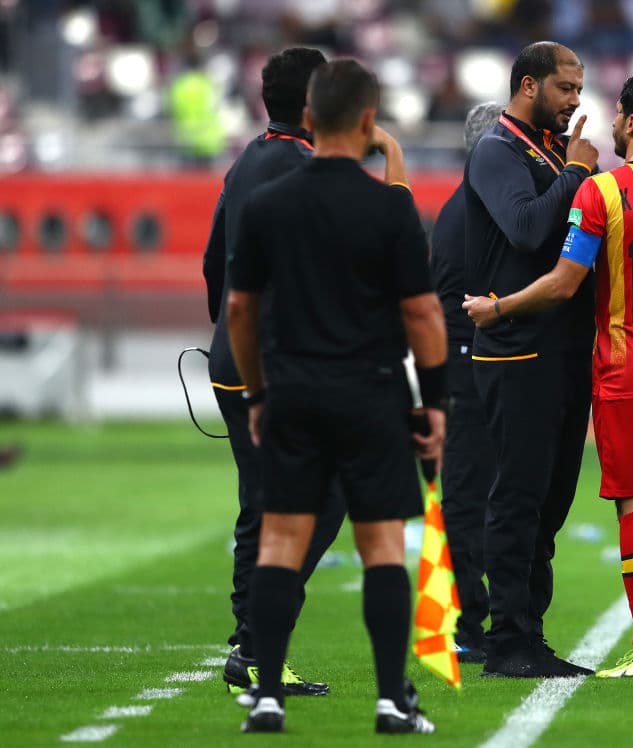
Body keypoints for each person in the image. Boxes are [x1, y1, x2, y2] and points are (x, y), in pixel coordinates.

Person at [464, 71, 633, 679]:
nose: (610, 121)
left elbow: (564, 285)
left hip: (627, 371)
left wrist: (499, 307)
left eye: (617, 112)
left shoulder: (601, 193)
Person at [227, 58, 446, 735]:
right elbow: (424, 316)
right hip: (371, 392)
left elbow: (239, 308)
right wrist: (434, 401)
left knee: (279, 543)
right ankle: (389, 700)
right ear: (370, 122)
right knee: (382, 545)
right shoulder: (390, 206)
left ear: (310, 119)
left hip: (291, 391)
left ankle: (265, 695)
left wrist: (259, 395)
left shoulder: (268, 203)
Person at [202, 47, 347, 699]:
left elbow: (214, 263)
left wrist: (229, 336)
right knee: (319, 498)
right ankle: (257, 642)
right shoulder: (307, 171)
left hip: (233, 358)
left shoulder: (246, 162)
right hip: (281, 364)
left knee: (263, 501)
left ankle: (252, 643)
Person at [428, 100, 504, 664]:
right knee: (470, 496)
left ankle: (474, 617)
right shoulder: (474, 212)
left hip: (462, 362)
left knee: (473, 494)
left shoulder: (462, 209)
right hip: (468, 364)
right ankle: (471, 621)